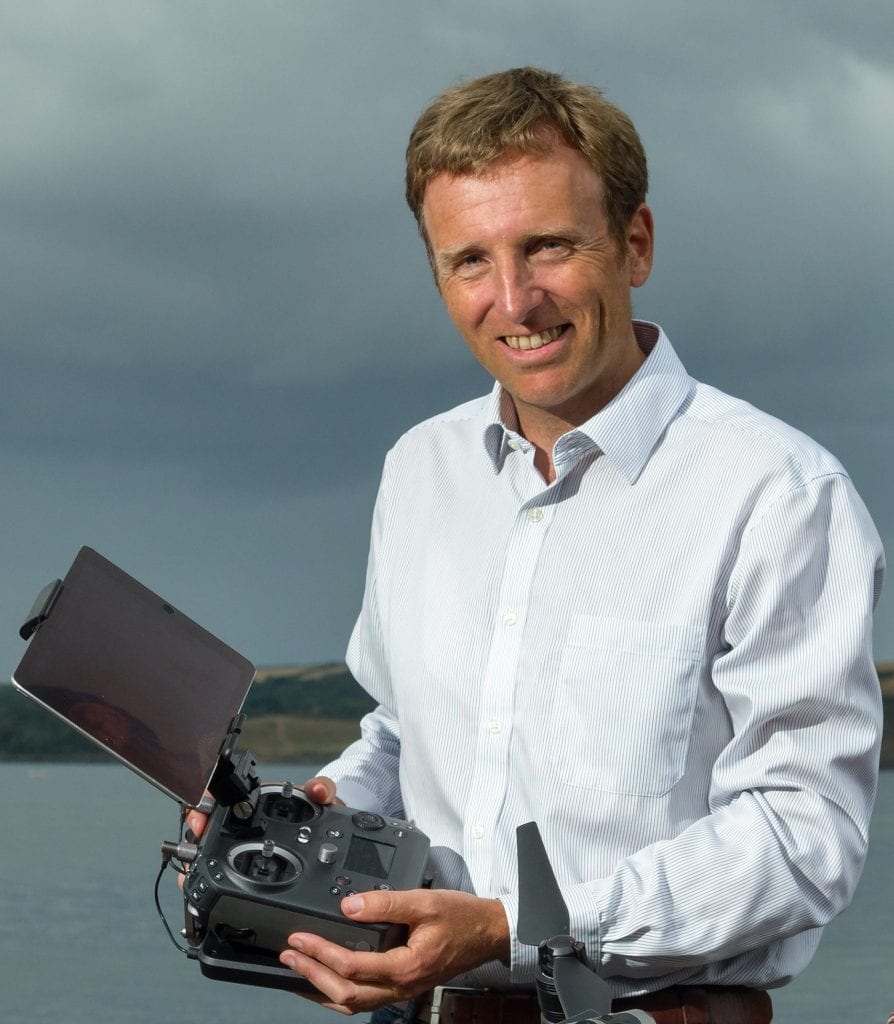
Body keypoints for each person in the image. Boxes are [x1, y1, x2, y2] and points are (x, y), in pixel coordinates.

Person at [190, 67, 884, 1024]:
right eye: (469, 261)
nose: (513, 301)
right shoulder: (418, 469)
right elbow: (403, 732)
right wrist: (310, 815)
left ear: (634, 244)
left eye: (548, 246)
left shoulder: (778, 494)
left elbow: (804, 837)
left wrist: (515, 927)